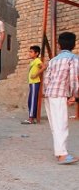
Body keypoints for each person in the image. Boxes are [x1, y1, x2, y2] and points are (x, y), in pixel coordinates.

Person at [43, 32, 79, 165]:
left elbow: (47, 79)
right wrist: (74, 96)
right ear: (74, 44)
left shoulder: (53, 60)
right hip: (60, 95)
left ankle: (59, 153)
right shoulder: (73, 59)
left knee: (55, 125)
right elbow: (74, 79)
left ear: (58, 45)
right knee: (61, 125)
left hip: (49, 94)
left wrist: (47, 92)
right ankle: (62, 155)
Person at [21, 45, 45, 124]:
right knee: (30, 100)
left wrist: (36, 74)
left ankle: (31, 118)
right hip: (32, 83)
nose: (29, 53)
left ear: (36, 53)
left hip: (35, 82)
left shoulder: (37, 60)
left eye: (31, 52)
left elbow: (43, 67)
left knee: (33, 100)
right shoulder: (33, 61)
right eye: (29, 52)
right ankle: (33, 116)